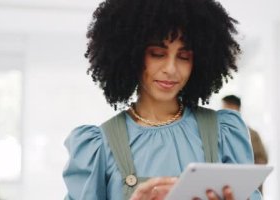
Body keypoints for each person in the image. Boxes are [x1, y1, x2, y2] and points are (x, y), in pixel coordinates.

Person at [63, 0, 262, 199]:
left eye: (183, 56)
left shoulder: (223, 133)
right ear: (131, 55)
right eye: (158, 54)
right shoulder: (99, 147)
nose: (171, 69)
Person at [222, 95, 268, 193]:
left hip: (248, 186)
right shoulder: (219, 133)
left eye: (228, 108)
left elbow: (262, 160)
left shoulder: (252, 134)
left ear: (237, 108)